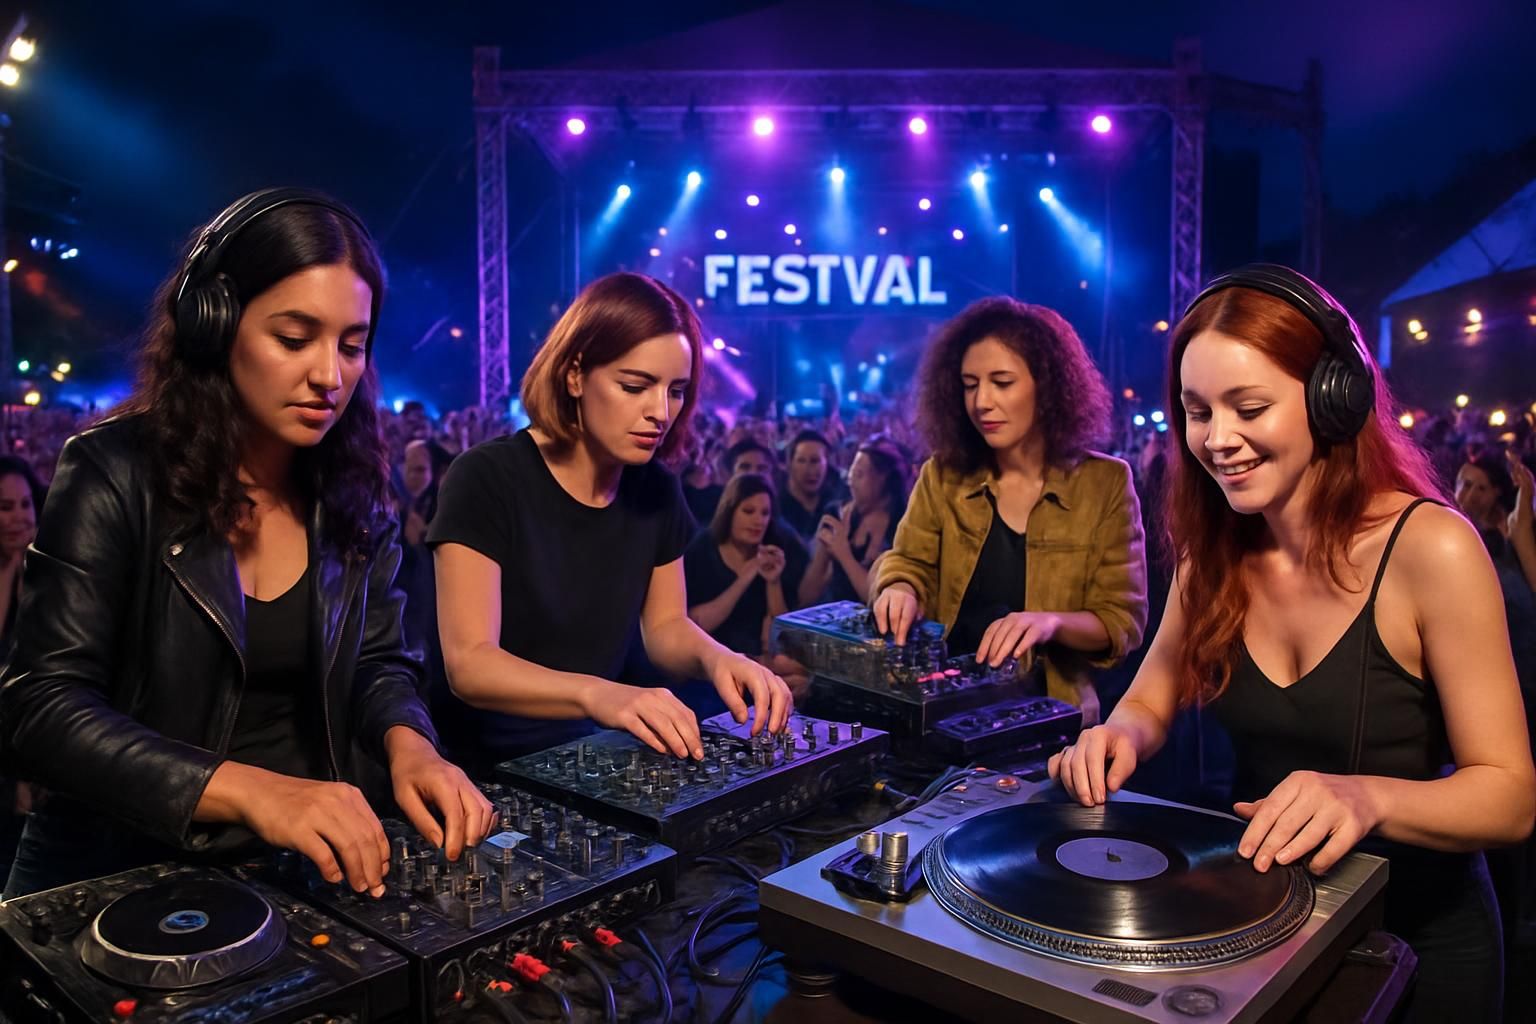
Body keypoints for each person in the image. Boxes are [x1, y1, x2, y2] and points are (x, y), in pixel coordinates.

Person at [1049, 265, 1535, 1023]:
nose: (1218, 440)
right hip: (1267, 928)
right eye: (1198, 412)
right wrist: (1117, 737)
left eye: (1249, 408)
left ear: (1333, 400)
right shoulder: (1212, 556)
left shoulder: (1433, 547)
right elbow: (1148, 700)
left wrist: (1366, 795)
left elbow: (1509, 795)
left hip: (1424, 945)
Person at [0, 189, 492, 899]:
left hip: (291, 871)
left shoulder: (356, 490)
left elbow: (381, 664)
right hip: (118, 869)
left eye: (352, 346)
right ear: (214, 327)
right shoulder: (113, 472)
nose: (330, 376)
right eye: (294, 339)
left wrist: (411, 745)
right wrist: (253, 790)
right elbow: (41, 707)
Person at [430, 272, 792, 777]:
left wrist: (719, 659)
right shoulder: (486, 477)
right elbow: (470, 664)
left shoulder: (656, 488)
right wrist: (599, 695)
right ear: (575, 375)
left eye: (676, 391)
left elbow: (665, 628)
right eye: (635, 386)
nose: (660, 412)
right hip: (482, 770)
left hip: (593, 757)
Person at [869, 297, 1147, 722]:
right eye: (969, 384)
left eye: (1001, 382)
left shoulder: (1104, 483)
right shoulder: (943, 475)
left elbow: (1121, 621)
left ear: (1048, 386)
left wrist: (1050, 623)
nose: (981, 401)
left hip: (1052, 720)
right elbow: (908, 561)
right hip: (941, 712)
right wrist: (899, 588)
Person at [684, 473, 806, 666]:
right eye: (749, 511)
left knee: (795, 671)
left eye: (765, 513)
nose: (759, 521)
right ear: (729, 511)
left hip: (757, 660)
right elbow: (696, 625)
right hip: (709, 657)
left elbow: (783, 638)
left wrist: (773, 581)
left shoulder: (774, 549)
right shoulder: (702, 549)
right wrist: (744, 578)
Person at [801, 443, 907, 607]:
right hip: (837, 617)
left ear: (882, 479)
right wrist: (823, 549)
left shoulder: (901, 527)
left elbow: (875, 597)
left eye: (859, 474)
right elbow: (806, 597)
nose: (851, 481)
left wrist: (843, 553)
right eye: (851, 473)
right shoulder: (837, 514)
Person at [780, 429, 849, 543]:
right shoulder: (777, 507)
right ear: (790, 464)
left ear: (826, 463)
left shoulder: (837, 505)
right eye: (801, 461)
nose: (808, 470)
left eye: (815, 461)